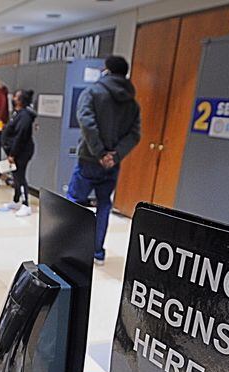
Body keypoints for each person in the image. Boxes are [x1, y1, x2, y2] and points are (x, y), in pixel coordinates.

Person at [66, 55, 141, 265]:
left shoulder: (93, 92)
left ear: (106, 70)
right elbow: (135, 135)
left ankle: (69, 247)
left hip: (89, 159)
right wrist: (114, 155)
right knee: (104, 205)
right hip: (112, 165)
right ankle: (97, 252)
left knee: (74, 202)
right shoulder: (132, 102)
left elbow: (87, 122)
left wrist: (99, 152)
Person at [0, 89, 36, 217]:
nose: (13, 99)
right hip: (14, 152)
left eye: (15, 97)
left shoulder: (25, 116)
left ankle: (26, 205)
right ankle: (16, 200)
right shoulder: (17, 113)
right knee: (15, 177)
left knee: (20, 177)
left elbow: (20, 137)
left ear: (20, 100)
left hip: (21, 153)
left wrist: (12, 154)